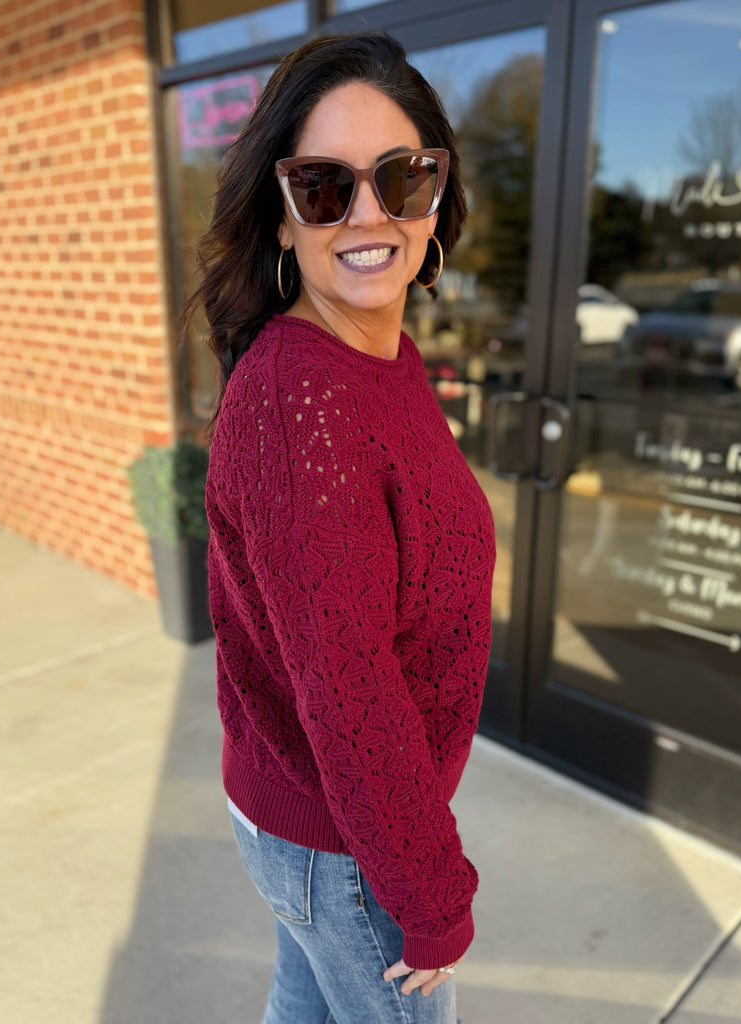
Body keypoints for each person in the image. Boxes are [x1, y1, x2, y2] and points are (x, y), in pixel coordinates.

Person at [189, 30, 496, 1024]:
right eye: (323, 187)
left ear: (435, 197)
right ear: (281, 222)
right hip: (344, 844)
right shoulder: (303, 398)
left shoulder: (380, 356)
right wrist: (431, 896)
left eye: (402, 177)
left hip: (318, 819)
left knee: (304, 1006)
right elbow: (345, 679)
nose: (369, 213)